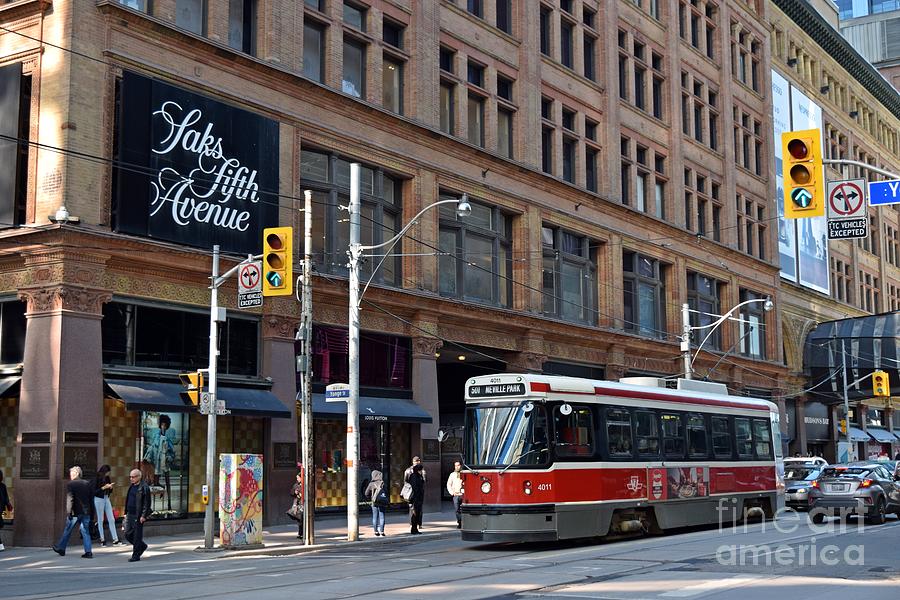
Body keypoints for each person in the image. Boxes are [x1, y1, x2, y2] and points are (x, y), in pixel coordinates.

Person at [52, 466, 94, 558]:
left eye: (71, 473)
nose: (70, 475)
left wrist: (69, 512)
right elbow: (91, 499)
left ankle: (61, 548)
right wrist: (92, 514)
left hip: (75, 513)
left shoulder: (71, 484)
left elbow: (70, 498)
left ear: (76, 474)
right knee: (85, 532)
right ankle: (88, 552)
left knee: (67, 530)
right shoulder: (88, 484)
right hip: (86, 512)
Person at [143, 414, 175, 511]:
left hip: (164, 461)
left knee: (167, 481)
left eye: (165, 425)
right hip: (156, 461)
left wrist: (169, 457)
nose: (163, 426)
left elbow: (171, 449)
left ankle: (169, 503)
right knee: (152, 483)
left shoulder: (168, 436)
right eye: (162, 425)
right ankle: (149, 506)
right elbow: (153, 446)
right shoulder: (156, 435)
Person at [124, 468, 151, 562]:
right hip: (129, 514)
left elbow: (147, 503)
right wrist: (125, 513)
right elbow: (128, 499)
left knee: (136, 536)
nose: (131, 479)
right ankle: (142, 546)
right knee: (127, 534)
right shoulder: (131, 486)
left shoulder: (144, 487)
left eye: (133, 477)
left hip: (138, 515)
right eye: (130, 477)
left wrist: (143, 515)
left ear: (139, 477)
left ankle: (136, 555)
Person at [93, 465, 121, 547]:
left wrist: (110, 488)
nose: (108, 474)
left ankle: (115, 539)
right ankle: (102, 539)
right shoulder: (96, 478)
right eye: (107, 472)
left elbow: (109, 490)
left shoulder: (107, 478)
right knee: (100, 519)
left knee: (111, 519)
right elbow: (94, 491)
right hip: (98, 499)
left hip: (106, 497)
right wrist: (104, 487)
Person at [364, 470, 387, 537]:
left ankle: (376, 531)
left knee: (374, 517)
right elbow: (385, 492)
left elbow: (366, 493)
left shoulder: (371, 484)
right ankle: (382, 532)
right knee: (382, 517)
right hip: (382, 502)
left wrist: (370, 497)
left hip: (374, 502)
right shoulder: (382, 483)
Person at [407, 463, 425, 535]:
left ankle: (415, 529)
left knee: (417, 514)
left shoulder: (418, 476)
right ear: (418, 470)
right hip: (415, 498)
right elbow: (415, 488)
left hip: (418, 498)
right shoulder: (414, 476)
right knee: (415, 514)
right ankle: (413, 529)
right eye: (421, 470)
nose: (422, 471)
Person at [446, 461, 464, 529]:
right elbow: (448, 484)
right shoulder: (452, 474)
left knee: (463, 510)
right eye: (455, 465)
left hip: (463, 495)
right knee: (457, 510)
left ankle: (463, 522)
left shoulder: (463, 473)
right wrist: (452, 492)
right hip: (456, 495)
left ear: (460, 466)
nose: (457, 467)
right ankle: (459, 522)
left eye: (458, 465)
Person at [0, 469, 11, 552]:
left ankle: (0, 545)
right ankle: (0, 545)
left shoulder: (2, 486)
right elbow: (5, 498)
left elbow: (5, 497)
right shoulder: (2, 486)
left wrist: (8, 505)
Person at [290, 471, 303, 538]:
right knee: (299, 519)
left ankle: (301, 533)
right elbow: (291, 492)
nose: (297, 479)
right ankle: (301, 533)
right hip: (297, 504)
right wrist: (295, 492)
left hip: (302, 504)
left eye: (298, 478)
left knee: (301, 519)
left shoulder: (304, 485)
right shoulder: (296, 485)